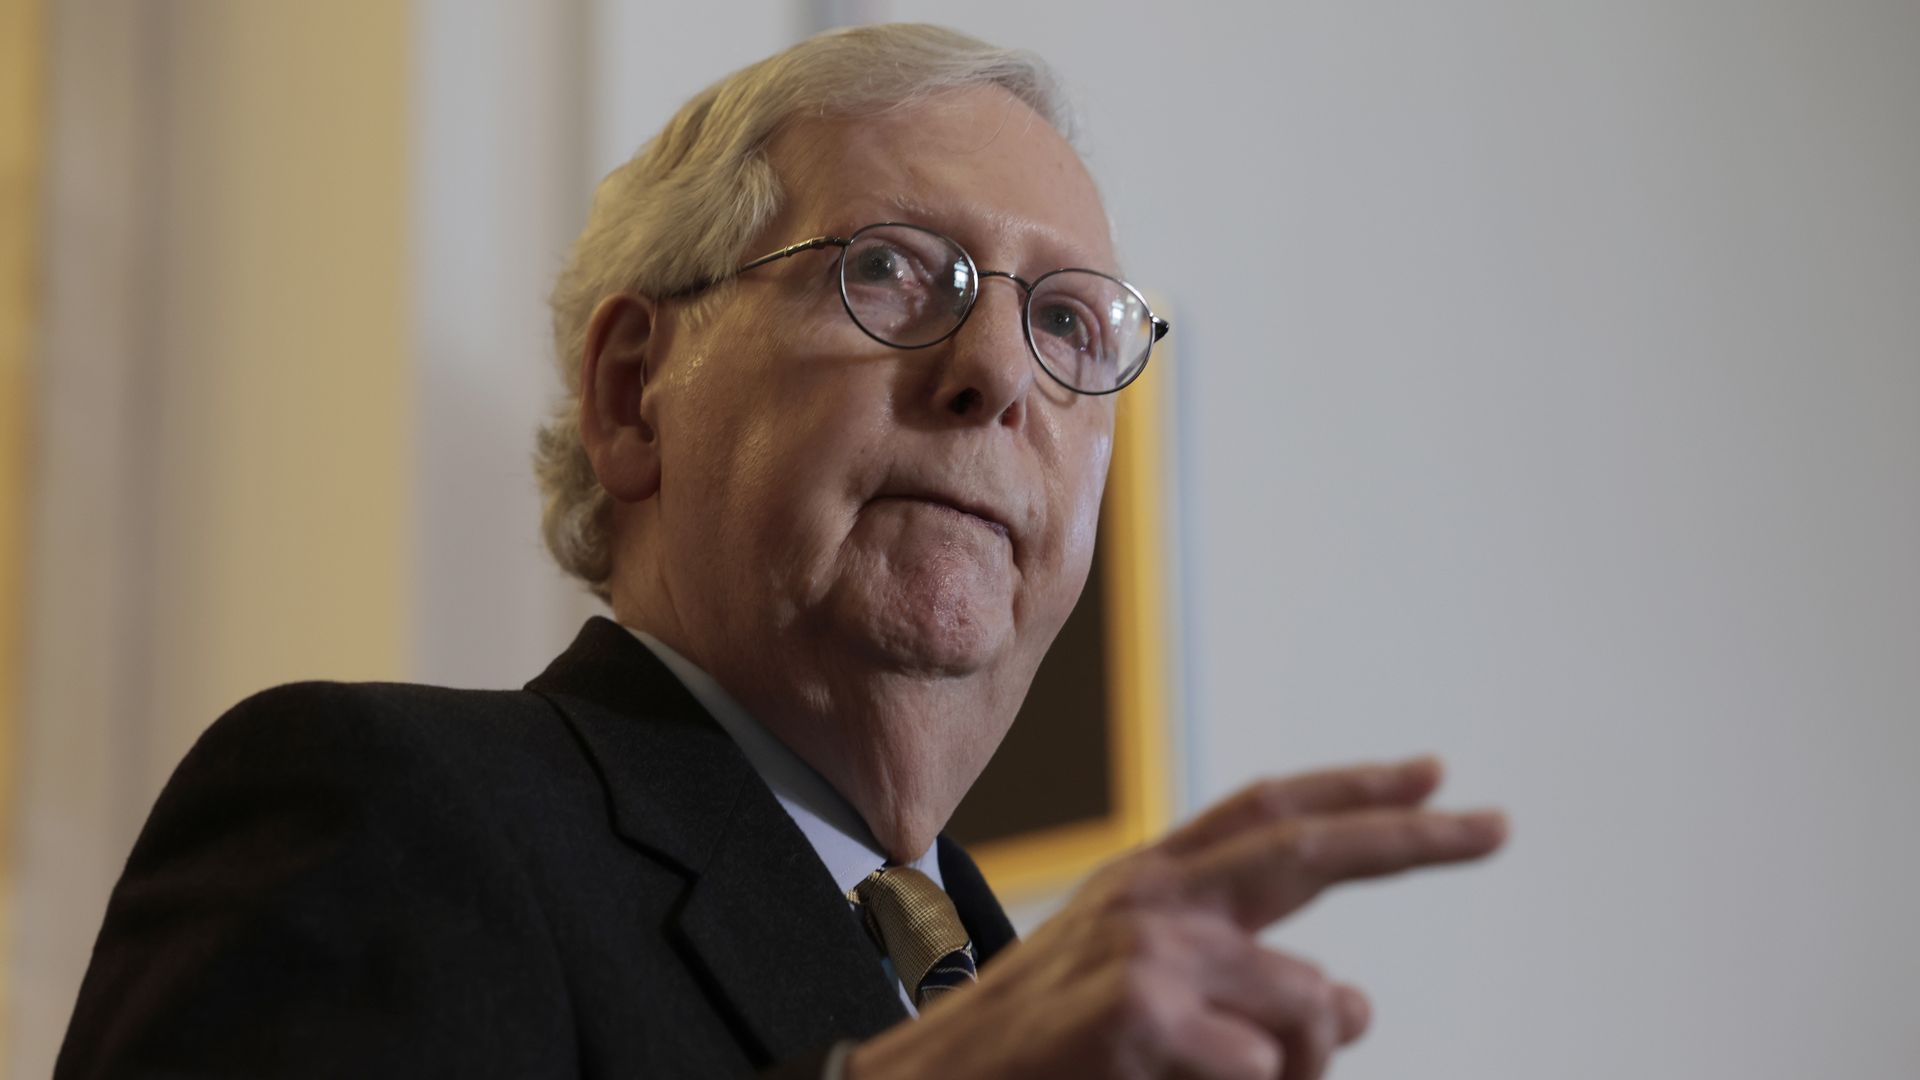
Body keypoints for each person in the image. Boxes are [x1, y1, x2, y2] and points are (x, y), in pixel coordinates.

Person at [55, 23, 1506, 1080]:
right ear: (635, 394)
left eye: (1067, 322)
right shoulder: (382, 813)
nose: (999, 372)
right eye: (890, 270)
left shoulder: (1036, 996)